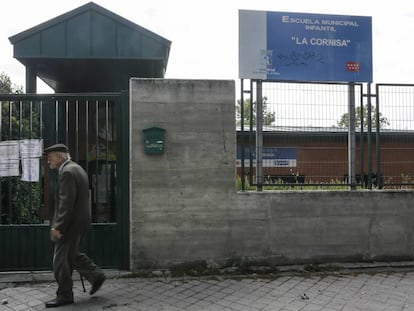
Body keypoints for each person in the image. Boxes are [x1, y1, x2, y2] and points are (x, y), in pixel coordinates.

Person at [43, 143, 106, 308]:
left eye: (50, 157)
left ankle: (64, 295)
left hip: (69, 225)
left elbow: (66, 203)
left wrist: (59, 226)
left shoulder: (67, 173)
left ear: (59, 156)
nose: (48, 161)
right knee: (73, 255)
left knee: (60, 262)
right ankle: (96, 275)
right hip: (79, 223)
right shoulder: (77, 168)